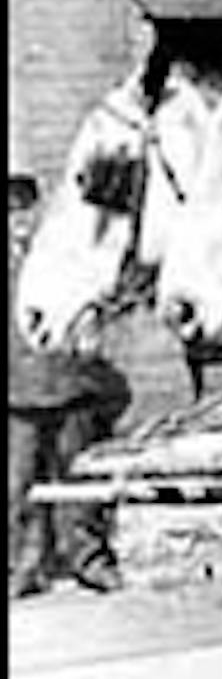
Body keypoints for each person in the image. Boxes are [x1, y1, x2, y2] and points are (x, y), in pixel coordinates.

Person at [9, 171, 132, 596]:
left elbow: (101, 300)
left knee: (79, 478)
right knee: (17, 484)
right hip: (15, 391)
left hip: (73, 384)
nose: (18, 219)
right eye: (9, 210)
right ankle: (23, 568)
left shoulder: (62, 257)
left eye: (24, 207)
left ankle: (89, 559)